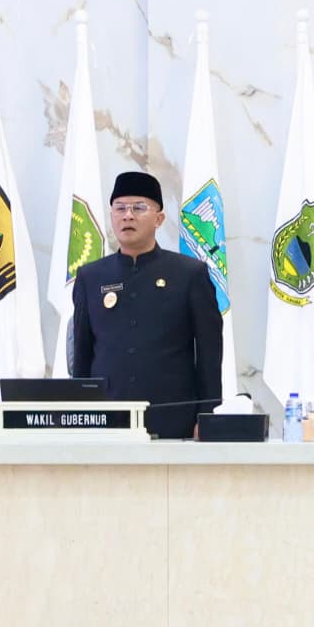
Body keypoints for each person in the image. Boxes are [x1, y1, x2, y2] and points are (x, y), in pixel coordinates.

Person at [72, 171, 223, 439]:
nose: (128, 216)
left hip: (172, 420)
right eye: (120, 208)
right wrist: (78, 413)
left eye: (139, 208)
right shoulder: (90, 277)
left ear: (159, 219)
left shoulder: (189, 274)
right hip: (106, 421)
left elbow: (209, 353)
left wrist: (208, 414)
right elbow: (82, 354)